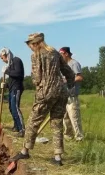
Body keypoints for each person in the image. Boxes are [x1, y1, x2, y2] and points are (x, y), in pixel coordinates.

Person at [9, 33, 75, 166]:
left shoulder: (36, 55)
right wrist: (70, 85)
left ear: (35, 43)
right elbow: (68, 72)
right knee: (57, 123)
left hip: (45, 93)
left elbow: (37, 78)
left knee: (33, 121)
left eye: (30, 45)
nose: (30, 47)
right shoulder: (55, 53)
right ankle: (57, 158)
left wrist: (38, 84)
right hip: (61, 92)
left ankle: (25, 151)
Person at [0, 47, 26, 137]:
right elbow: (12, 79)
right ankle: (16, 126)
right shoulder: (10, 64)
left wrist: (7, 71)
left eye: (2, 58)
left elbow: (18, 74)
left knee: (15, 108)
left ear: (6, 55)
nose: (2, 60)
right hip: (12, 88)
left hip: (17, 88)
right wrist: (6, 85)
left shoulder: (16, 60)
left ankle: (22, 129)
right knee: (11, 108)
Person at [59, 47, 84, 141]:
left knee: (74, 118)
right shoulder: (63, 65)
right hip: (64, 95)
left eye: (61, 54)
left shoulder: (74, 63)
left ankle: (79, 138)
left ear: (66, 54)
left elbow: (80, 77)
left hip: (72, 96)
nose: (60, 57)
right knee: (65, 118)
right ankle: (68, 136)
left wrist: (67, 80)